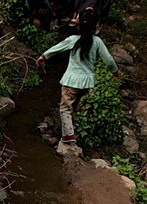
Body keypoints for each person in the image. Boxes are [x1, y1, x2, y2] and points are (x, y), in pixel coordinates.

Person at [36, 7, 118, 145]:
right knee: (75, 106)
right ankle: (72, 129)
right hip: (86, 83)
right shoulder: (97, 42)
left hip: (71, 81)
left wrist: (44, 56)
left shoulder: (74, 39)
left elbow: (58, 48)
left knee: (65, 109)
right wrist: (115, 72)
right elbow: (108, 59)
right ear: (95, 26)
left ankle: (68, 136)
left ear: (79, 23)